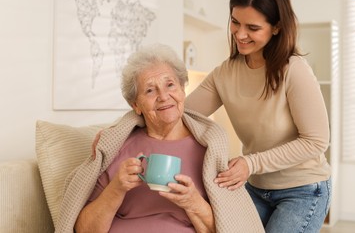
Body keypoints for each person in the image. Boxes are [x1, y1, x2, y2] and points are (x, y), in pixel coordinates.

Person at [54, 43, 264, 233]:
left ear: (182, 90)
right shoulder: (117, 146)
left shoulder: (207, 149)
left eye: (170, 85)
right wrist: (116, 188)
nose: (163, 96)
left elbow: (225, 229)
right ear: (136, 105)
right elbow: (83, 230)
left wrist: (192, 202)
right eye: (150, 90)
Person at [185, 0, 332, 232]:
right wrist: (121, 128)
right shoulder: (225, 73)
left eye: (252, 28)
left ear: (276, 27)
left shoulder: (293, 70)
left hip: (303, 191)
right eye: (235, 22)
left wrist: (250, 163)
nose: (240, 34)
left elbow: (316, 141)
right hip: (256, 188)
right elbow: (181, 114)